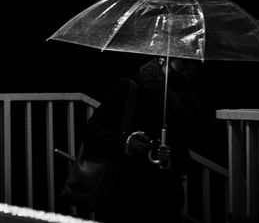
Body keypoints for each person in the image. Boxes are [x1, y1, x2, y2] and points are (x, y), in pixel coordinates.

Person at [83, 56, 202, 223]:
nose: (188, 70)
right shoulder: (130, 87)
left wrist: (170, 159)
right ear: (164, 59)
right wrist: (126, 141)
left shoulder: (187, 99)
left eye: (193, 65)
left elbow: (185, 148)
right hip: (125, 192)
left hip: (164, 196)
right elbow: (93, 131)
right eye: (182, 64)